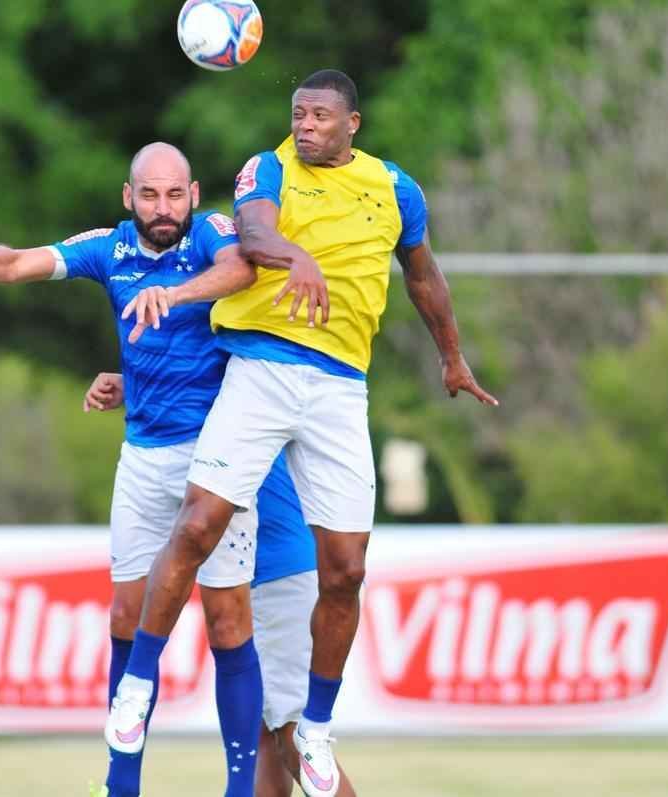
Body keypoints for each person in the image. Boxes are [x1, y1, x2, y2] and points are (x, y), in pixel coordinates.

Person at [105, 70, 498, 797]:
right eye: (298, 114)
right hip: (263, 367)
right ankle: (135, 686)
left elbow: (422, 272)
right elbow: (254, 232)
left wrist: (450, 354)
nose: (306, 125)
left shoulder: (395, 189)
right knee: (196, 524)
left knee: (346, 569)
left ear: (354, 122)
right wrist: (295, 255)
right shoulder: (270, 167)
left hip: (341, 386)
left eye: (320, 115)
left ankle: (318, 722)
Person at [0, 142, 272, 797]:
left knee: (227, 620)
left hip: (216, 460)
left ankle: (240, 789)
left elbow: (244, 269)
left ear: (192, 194)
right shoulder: (110, 247)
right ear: (128, 198)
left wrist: (174, 292)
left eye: (174, 194)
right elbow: (19, 261)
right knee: (127, 615)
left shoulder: (213, 233)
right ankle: (119, 784)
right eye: (150, 195)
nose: (164, 207)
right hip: (142, 458)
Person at [86, 373, 356, 797]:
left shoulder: (257, 383)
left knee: (292, 739)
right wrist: (139, 385)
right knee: (266, 738)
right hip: (269, 565)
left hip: (278, 568)